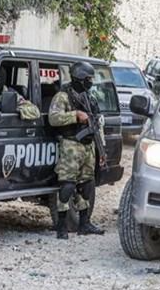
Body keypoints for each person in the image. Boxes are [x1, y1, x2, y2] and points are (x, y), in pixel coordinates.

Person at [48, 62, 106, 239]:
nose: (90, 82)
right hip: (71, 145)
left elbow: (97, 124)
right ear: (80, 78)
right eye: (88, 79)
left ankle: (84, 223)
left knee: (87, 185)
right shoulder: (63, 96)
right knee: (67, 185)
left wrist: (101, 150)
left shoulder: (89, 97)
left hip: (89, 146)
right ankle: (61, 226)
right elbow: (53, 118)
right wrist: (75, 116)